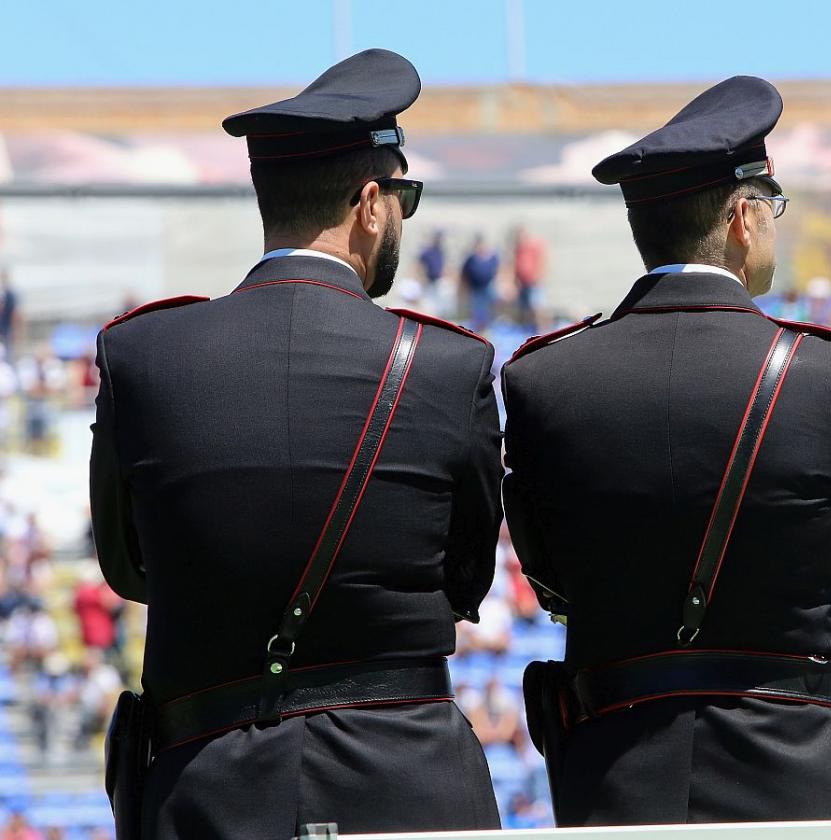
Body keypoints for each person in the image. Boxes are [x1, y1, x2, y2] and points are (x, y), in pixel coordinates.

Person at [89, 51, 503, 837]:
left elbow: (128, 567)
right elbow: (463, 581)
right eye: (404, 198)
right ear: (371, 205)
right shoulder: (449, 366)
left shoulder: (142, 356)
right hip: (410, 786)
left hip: (207, 786)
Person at [502, 76, 831, 825]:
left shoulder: (544, 378)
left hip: (615, 775)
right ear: (744, 219)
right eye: (772, 208)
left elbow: (554, 580)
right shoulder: (828, 375)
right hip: (801, 773)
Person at [459, 233, 499, 330]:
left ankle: (488, 327)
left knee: (490, 309)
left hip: (488, 286)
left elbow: (498, 270)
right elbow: (464, 273)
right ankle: (479, 329)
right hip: (476, 288)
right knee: (477, 310)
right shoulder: (471, 259)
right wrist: (464, 287)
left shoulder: (492, 257)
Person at [510, 225, 547, 328]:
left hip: (533, 282)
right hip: (522, 282)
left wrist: (538, 276)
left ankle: (542, 329)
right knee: (524, 308)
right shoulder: (518, 248)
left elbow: (541, 262)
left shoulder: (534, 246)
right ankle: (527, 329)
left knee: (537, 306)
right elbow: (515, 264)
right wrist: (515, 280)